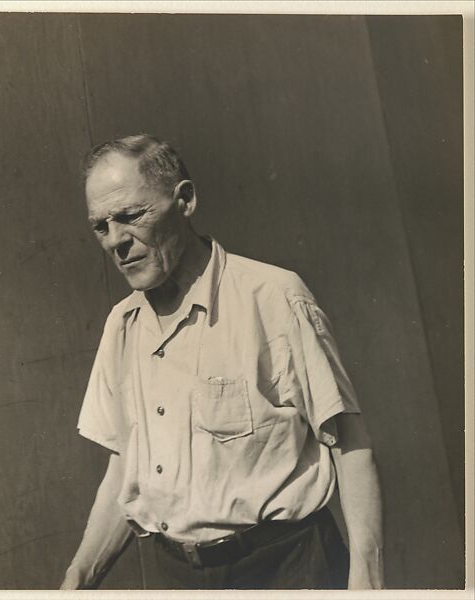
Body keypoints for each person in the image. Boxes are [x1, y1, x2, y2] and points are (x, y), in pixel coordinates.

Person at [61, 134, 384, 590]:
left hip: (287, 570)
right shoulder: (122, 327)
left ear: (185, 200)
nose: (117, 241)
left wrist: (367, 580)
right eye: (101, 226)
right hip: (177, 577)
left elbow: (349, 445)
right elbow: (125, 472)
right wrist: (79, 576)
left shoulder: (273, 298)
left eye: (131, 216)